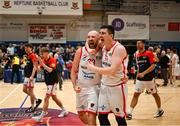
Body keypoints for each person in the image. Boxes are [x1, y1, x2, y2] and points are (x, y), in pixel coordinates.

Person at [87, 25, 128, 126]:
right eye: (100, 33)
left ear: (111, 35)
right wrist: (92, 49)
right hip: (105, 86)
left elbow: (112, 71)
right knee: (102, 116)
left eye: (103, 33)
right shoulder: (104, 45)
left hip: (117, 87)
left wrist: (92, 68)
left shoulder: (118, 48)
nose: (100, 35)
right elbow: (88, 41)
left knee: (119, 118)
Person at [126, 40, 164, 120]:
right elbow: (138, 66)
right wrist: (137, 74)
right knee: (136, 94)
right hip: (140, 79)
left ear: (143, 44)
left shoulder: (149, 53)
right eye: (137, 43)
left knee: (155, 94)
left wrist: (144, 73)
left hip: (149, 79)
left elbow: (153, 65)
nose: (137, 44)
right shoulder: (137, 54)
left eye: (139, 43)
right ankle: (129, 112)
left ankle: (160, 110)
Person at [71, 30, 101, 125]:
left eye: (93, 37)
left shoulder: (102, 50)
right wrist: (74, 85)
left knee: (91, 114)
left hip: (94, 87)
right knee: (81, 114)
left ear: (98, 39)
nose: (90, 39)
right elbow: (73, 71)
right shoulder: (80, 51)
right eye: (89, 37)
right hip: (81, 88)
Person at [32, 47, 68, 122]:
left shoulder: (52, 60)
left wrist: (42, 63)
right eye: (41, 53)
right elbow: (39, 70)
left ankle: (41, 117)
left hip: (53, 81)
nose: (41, 55)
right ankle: (64, 110)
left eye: (42, 53)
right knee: (54, 97)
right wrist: (35, 62)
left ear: (47, 53)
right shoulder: (44, 60)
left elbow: (50, 70)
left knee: (46, 98)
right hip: (48, 82)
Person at [23, 44, 42, 113]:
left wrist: (32, 76)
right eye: (25, 48)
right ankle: (37, 100)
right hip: (27, 76)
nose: (26, 49)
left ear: (31, 48)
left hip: (31, 77)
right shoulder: (27, 56)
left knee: (31, 91)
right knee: (24, 90)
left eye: (27, 48)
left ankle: (32, 107)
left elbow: (35, 66)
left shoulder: (33, 55)